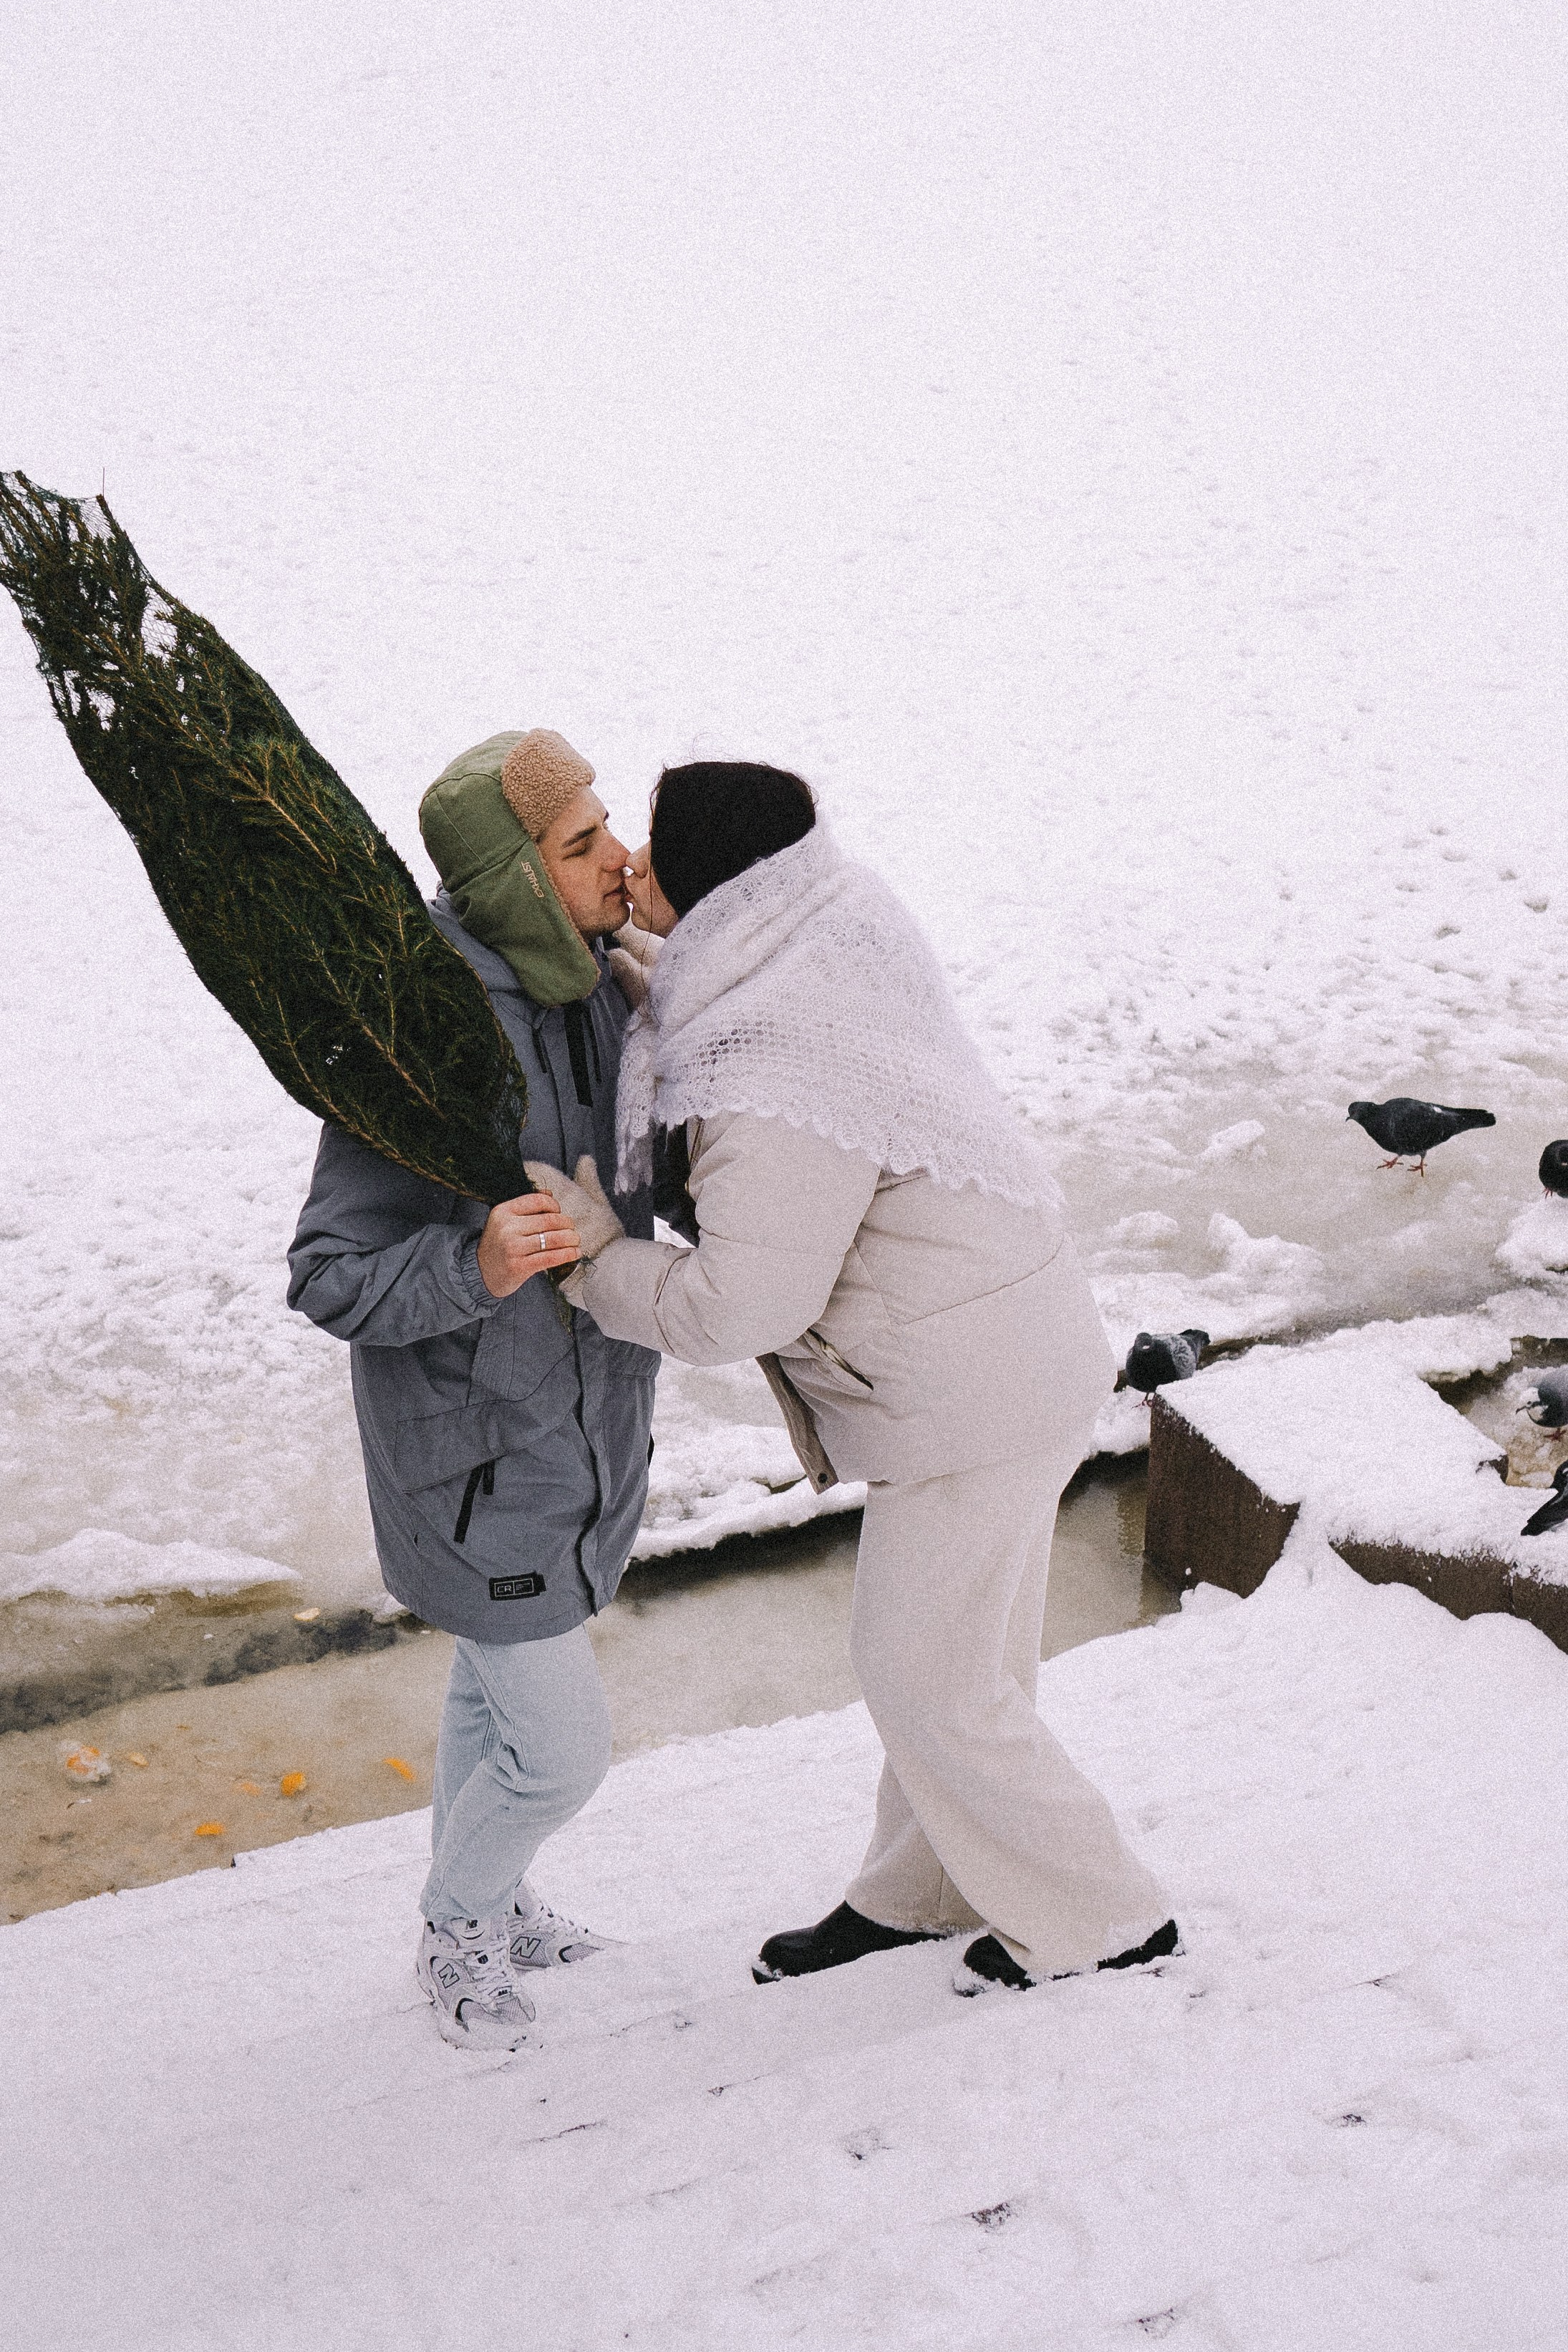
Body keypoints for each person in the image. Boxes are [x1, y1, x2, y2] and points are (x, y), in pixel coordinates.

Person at [529, 761, 1177, 1993]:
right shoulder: (824, 920)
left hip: (968, 1392)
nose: (629, 869)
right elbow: (721, 990)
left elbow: (736, 1305)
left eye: (653, 858)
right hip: (999, 1342)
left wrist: (598, 1260)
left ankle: (1105, 1917)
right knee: (958, 1667)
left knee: (923, 1673)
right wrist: (634, 965)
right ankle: (925, 1889)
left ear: (723, 893)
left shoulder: (776, 1080)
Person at [288, 728, 662, 2051]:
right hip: (476, 1459)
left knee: (483, 1697)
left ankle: (492, 1906)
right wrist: (475, 1258)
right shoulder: (422, 1037)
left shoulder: (597, 989)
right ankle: (460, 1921)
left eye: (605, 825)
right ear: (511, 879)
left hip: (578, 1429)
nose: (620, 858)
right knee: (558, 1753)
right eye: (581, 845)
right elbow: (328, 1272)